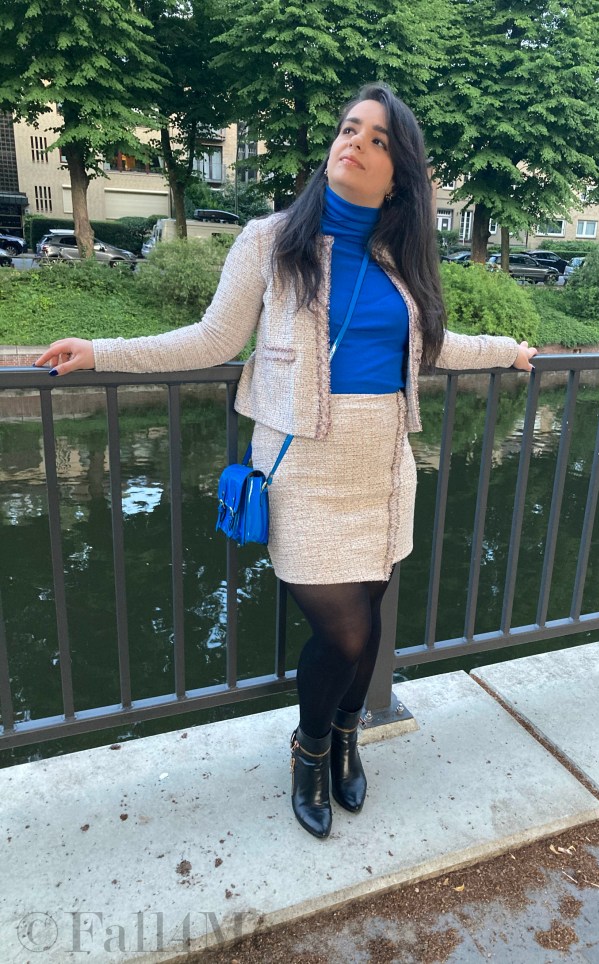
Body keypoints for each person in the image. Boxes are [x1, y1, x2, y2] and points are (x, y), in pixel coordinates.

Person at [35, 83, 537, 840]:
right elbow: (209, 342)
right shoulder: (271, 242)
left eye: (375, 140)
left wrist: (509, 352)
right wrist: (100, 350)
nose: (354, 144)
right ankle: (309, 748)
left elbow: (433, 344)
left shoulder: (397, 254)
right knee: (344, 633)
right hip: (303, 472)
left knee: (365, 622)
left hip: (384, 469)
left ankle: (344, 739)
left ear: (397, 173)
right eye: (348, 130)